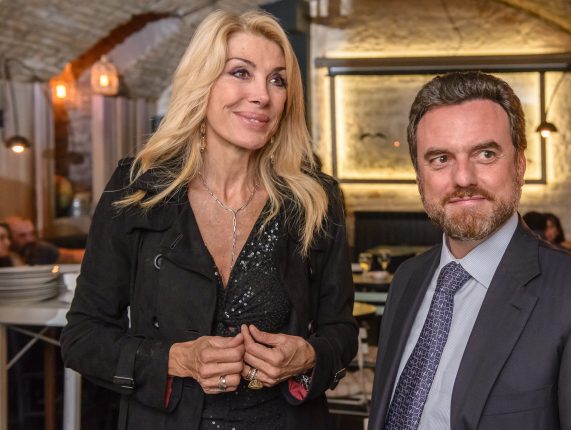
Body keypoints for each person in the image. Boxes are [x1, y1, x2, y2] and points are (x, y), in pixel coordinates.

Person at [60, 10, 358, 430]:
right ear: (202, 83)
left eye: (277, 80)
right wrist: (174, 359)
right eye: (240, 72)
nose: (262, 95)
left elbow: (341, 331)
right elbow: (81, 338)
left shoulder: (314, 199)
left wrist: (309, 356)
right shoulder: (139, 189)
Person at [368, 71, 571, 429]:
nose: (463, 178)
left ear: (520, 165)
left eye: (485, 154)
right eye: (440, 159)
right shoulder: (407, 279)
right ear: (419, 176)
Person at [5, 216, 84, 264]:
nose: (30, 239)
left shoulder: (39, 248)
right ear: (9, 237)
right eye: (22, 235)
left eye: (32, 233)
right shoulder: (5, 256)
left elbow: (72, 256)